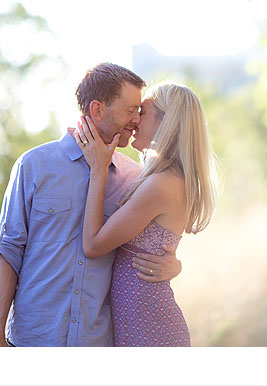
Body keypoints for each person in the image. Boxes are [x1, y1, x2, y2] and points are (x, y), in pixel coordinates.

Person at [0, 62, 182, 347]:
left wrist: (174, 265)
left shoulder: (135, 179)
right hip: (34, 339)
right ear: (97, 110)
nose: (137, 120)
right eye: (130, 110)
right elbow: (8, 250)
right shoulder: (34, 166)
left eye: (140, 112)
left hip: (97, 343)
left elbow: (151, 242)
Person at [74, 80, 217, 346]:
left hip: (149, 326)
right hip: (141, 322)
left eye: (143, 112)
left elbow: (93, 245)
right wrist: (176, 265)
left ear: (166, 122)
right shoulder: (165, 178)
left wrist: (99, 170)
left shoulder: (161, 184)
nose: (136, 120)